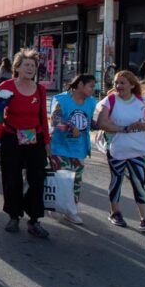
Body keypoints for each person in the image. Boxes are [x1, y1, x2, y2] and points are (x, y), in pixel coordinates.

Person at [0, 49, 54, 239]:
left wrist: (47, 142)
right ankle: (13, 216)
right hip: (11, 137)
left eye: (33, 65)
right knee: (12, 178)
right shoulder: (6, 86)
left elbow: (43, 119)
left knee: (36, 180)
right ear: (17, 67)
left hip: (34, 138)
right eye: (26, 65)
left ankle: (34, 220)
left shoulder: (40, 89)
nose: (30, 68)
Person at [95, 70, 145, 231]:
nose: (118, 86)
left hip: (137, 149)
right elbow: (101, 123)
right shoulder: (110, 100)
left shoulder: (141, 101)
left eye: (122, 83)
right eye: (116, 83)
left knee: (139, 183)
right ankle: (115, 213)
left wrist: (141, 125)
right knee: (116, 181)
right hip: (117, 149)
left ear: (132, 85)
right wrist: (122, 129)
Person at [49, 74, 97, 225]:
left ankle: (71, 211)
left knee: (76, 182)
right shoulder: (62, 99)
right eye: (91, 86)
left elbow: (90, 121)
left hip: (80, 148)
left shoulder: (91, 102)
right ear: (80, 85)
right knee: (62, 180)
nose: (93, 89)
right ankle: (59, 207)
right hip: (60, 148)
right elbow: (54, 120)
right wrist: (70, 127)